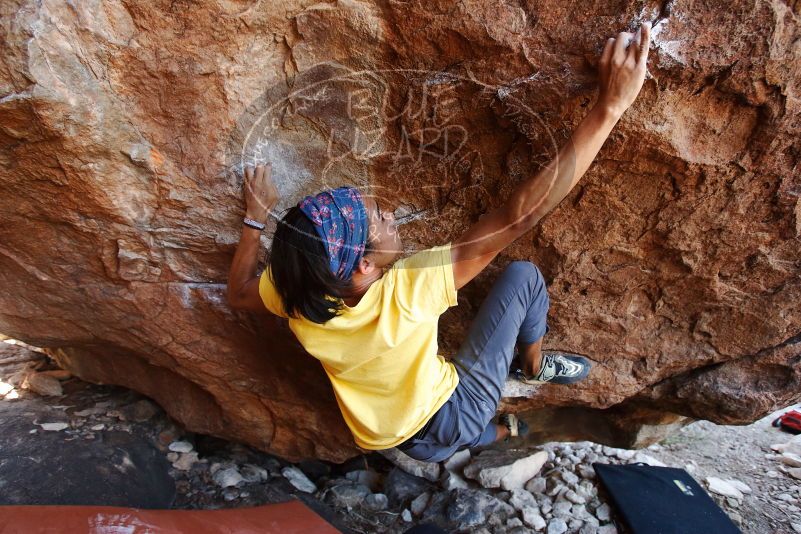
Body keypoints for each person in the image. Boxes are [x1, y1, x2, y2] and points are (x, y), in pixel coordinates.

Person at [227, 24, 652, 462]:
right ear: (364, 268)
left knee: (465, 439)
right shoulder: (409, 290)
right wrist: (610, 106)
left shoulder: (299, 288)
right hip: (454, 412)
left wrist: (253, 221)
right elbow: (520, 216)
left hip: (387, 439)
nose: (389, 215)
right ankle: (533, 366)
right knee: (524, 278)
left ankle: (498, 434)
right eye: (378, 220)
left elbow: (240, 294)